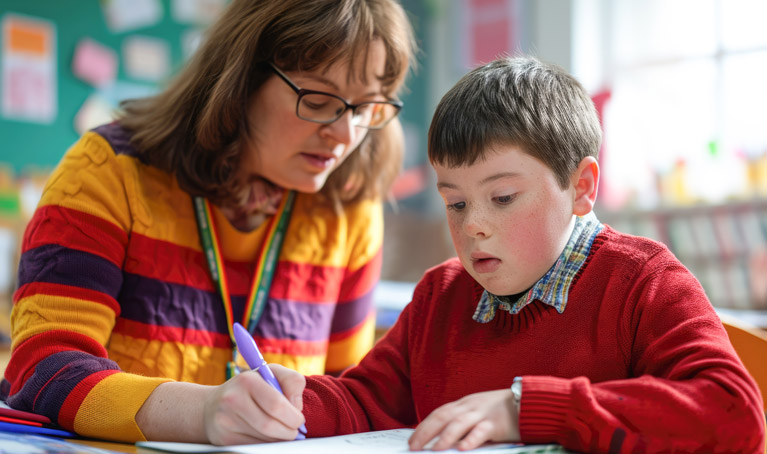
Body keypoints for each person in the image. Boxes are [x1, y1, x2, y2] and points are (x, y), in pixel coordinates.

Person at [281, 56, 765, 452]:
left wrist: (525, 408)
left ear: (581, 187)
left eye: (503, 198)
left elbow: (734, 413)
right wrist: (289, 403)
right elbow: (365, 401)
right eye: (455, 202)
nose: (472, 224)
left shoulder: (642, 282)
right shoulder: (441, 296)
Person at [3, 0, 415, 445]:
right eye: (317, 100)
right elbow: (43, 369)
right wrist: (202, 412)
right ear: (241, 78)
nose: (346, 134)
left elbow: (345, 394)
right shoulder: (107, 171)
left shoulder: (348, 207)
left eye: (366, 108)